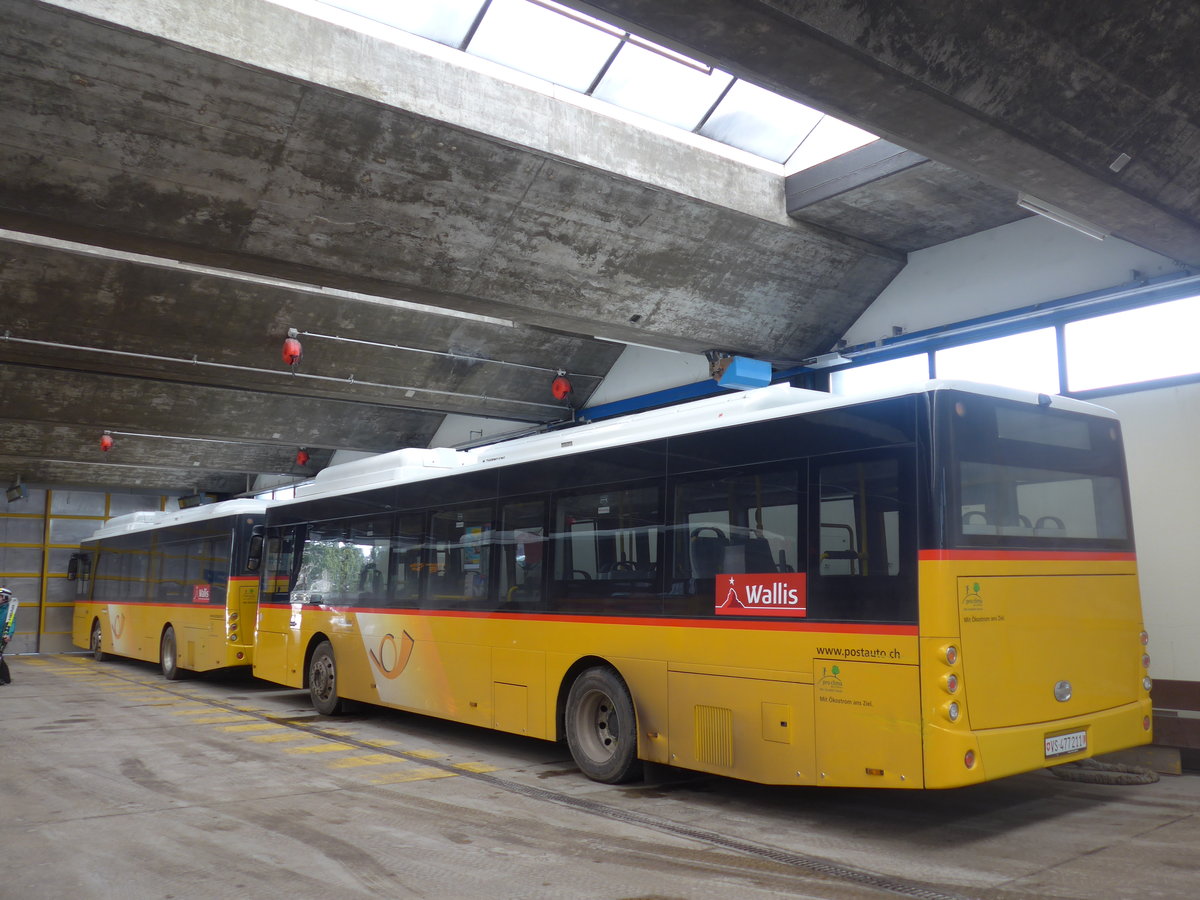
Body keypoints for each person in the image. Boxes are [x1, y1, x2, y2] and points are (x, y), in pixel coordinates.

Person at [0, 586, 17, 685]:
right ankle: (6, 678)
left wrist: (9, 634)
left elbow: (12, 623)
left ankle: (3, 679)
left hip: (2, 637)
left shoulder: (8, 611)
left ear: (5, 598)